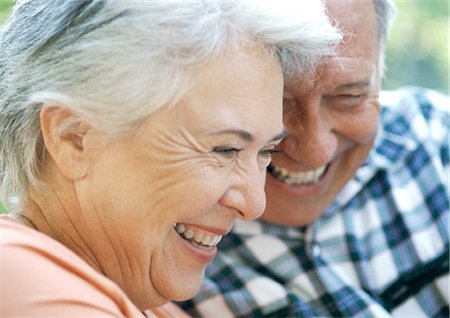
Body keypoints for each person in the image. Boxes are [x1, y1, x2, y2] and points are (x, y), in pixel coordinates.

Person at [0, 1, 342, 317]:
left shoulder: (138, 300)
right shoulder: (16, 274)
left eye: (266, 152)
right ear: (74, 139)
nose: (255, 204)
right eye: (224, 150)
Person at [180, 0, 450, 316]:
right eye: (278, 102)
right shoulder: (170, 249)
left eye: (349, 98)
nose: (315, 151)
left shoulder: (437, 143)